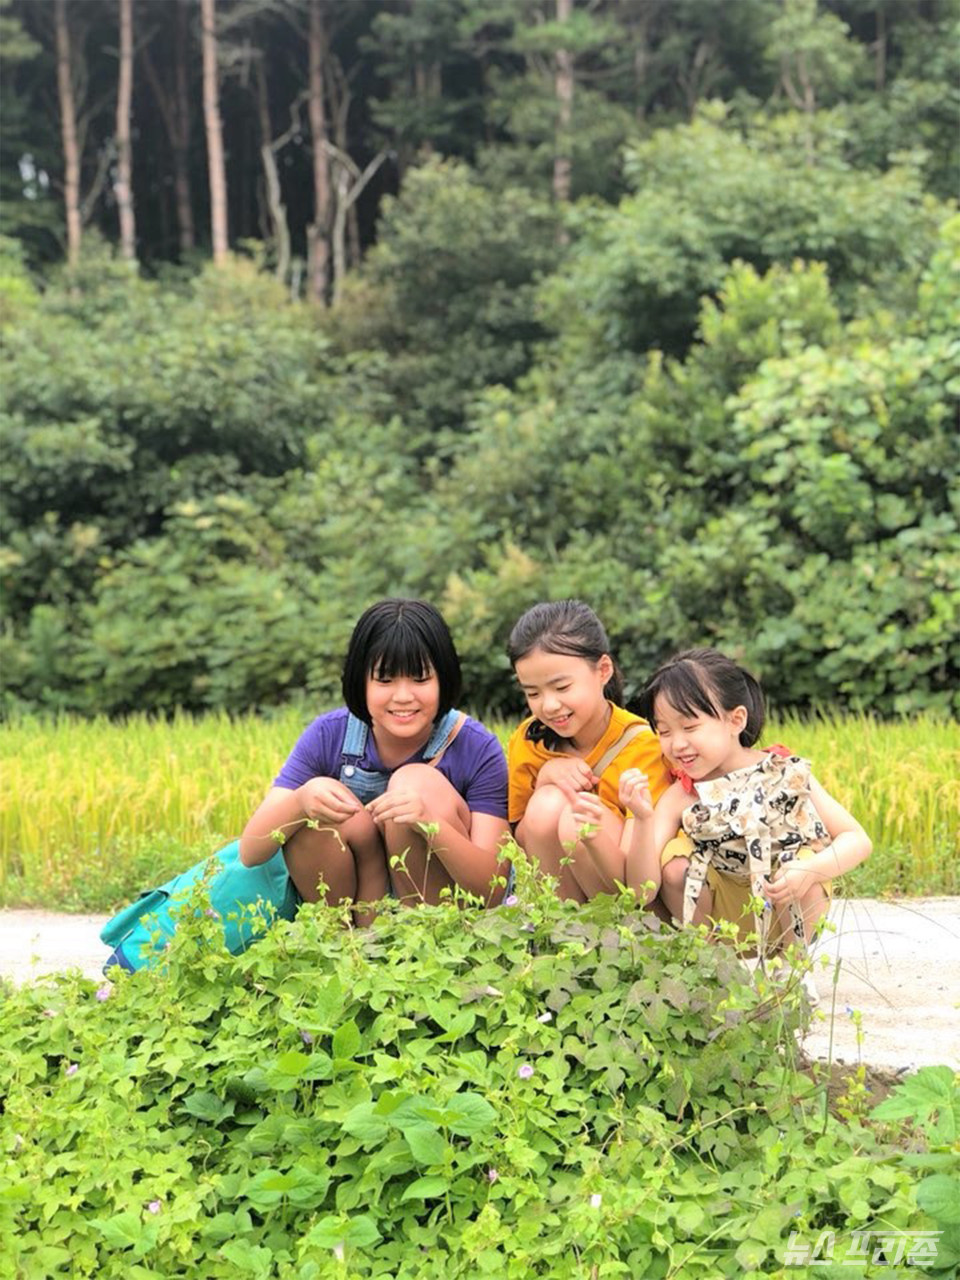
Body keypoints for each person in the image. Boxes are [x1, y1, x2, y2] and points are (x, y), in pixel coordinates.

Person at [239, 599, 511, 917]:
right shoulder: (329, 735)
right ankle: (344, 946)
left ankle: (424, 943)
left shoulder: (476, 747)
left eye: (420, 679)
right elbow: (250, 851)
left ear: (443, 678)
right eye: (385, 680)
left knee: (414, 783)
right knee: (314, 804)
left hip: (441, 919)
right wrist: (300, 802)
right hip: (353, 911)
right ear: (361, 681)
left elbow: (494, 889)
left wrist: (430, 822)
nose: (403, 696)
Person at [621, 647, 872, 952]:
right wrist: (643, 820)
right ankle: (711, 968)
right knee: (675, 865)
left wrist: (812, 870)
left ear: (736, 720)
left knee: (801, 860)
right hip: (723, 927)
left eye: (689, 727)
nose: (678, 744)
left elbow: (857, 839)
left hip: (788, 911)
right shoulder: (682, 795)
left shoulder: (785, 773)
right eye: (664, 732)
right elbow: (640, 890)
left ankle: (791, 973)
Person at [505, 600, 671, 903]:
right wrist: (545, 778)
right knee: (546, 803)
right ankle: (560, 929)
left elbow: (644, 864)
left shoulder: (643, 746)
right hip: (563, 890)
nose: (549, 705)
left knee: (574, 819)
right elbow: (520, 838)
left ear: (603, 670)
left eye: (562, 687)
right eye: (533, 693)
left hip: (632, 897)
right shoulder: (528, 741)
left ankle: (609, 935)